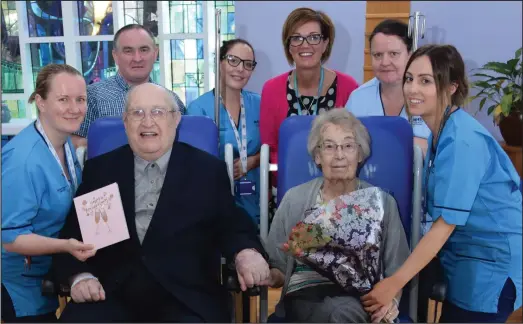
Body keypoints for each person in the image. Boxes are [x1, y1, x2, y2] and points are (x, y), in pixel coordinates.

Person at [52, 83, 270, 323]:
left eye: (157, 112)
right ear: (125, 121)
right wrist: (80, 276)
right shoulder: (101, 170)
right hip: (110, 293)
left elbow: (232, 226)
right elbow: (73, 236)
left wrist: (246, 254)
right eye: (137, 113)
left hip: (184, 297)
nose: (147, 122)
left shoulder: (207, 171)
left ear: (176, 119)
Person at [361, 44, 522, 323]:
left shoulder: (462, 140)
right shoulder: (442, 132)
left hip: (490, 267)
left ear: (451, 86)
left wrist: (394, 282)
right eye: (409, 79)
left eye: (426, 81)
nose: (412, 89)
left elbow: (443, 225)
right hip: (464, 259)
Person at [262, 109, 410, 323]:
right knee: (340, 313)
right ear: (317, 156)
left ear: (359, 154)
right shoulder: (296, 199)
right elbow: (278, 266)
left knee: (344, 312)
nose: (339, 155)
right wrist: (265, 274)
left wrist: (391, 303)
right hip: (308, 297)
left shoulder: (382, 203)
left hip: (363, 298)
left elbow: (397, 269)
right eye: (329, 146)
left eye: (348, 146)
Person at [1, 64, 96, 322]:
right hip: (19, 283)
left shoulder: (64, 144)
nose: (74, 108)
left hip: (48, 272)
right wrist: (66, 246)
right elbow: (10, 238)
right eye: (63, 99)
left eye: (80, 99)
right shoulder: (23, 161)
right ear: (41, 102)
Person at [259, 7, 359, 182]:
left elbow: (354, 145)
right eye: (297, 38)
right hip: (288, 184)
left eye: (314, 37)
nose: (305, 45)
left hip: (338, 185)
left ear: (325, 43)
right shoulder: (271, 89)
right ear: (289, 46)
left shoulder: (348, 87)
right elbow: (270, 148)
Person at [71, 24, 185, 148]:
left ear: (155, 53)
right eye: (128, 51)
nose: (137, 58)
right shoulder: (92, 97)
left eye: (144, 50)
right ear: (115, 56)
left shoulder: (172, 100)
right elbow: (74, 147)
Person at [187, 38, 261, 223]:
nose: (240, 69)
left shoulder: (260, 104)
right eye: (233, 60)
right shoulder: (198, 109)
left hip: (255, 196)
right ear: (219, 62)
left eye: (248, 64)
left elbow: (275, 147)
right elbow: (192, 162)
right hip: (214, 197)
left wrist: (254, 160)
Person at [346, 19, 430, 156]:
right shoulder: (358, 98)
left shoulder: (430, 96)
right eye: (377, 55)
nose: (385, 62)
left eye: (393, 54)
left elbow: (442, 149)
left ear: (410, 55)